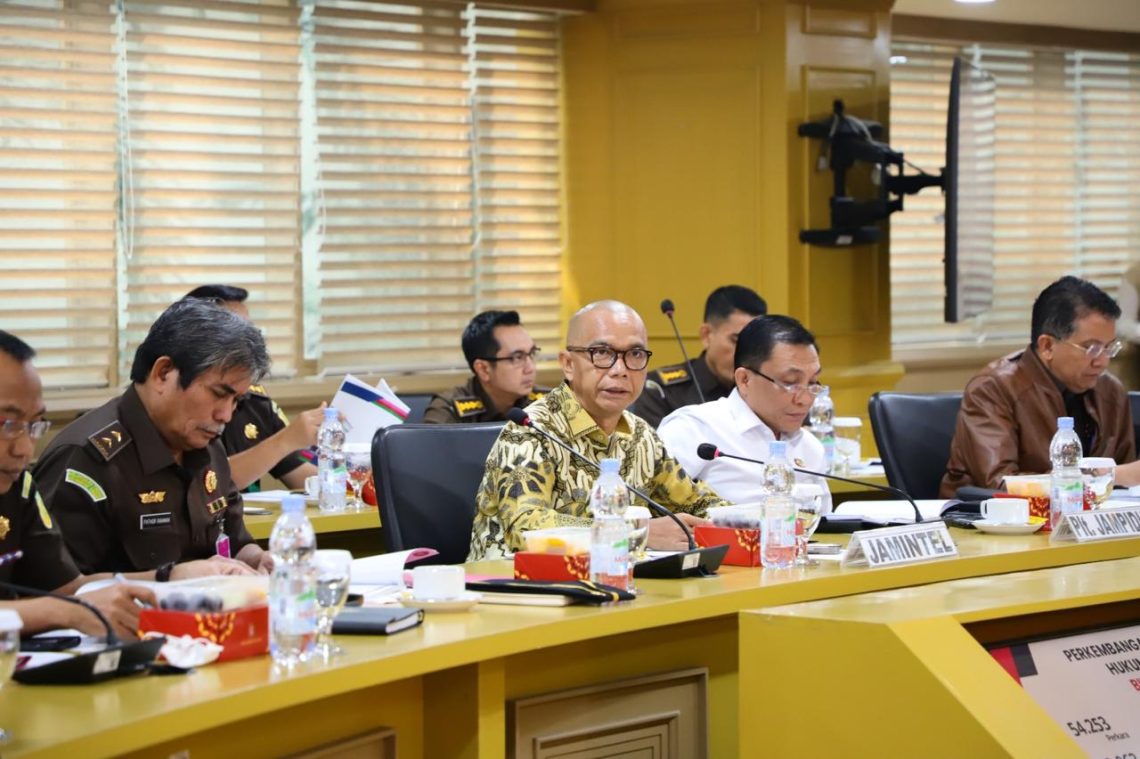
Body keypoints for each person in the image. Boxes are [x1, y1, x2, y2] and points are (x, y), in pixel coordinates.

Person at [0, 331, 246, 641]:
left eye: (34, 425)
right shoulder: (86, 453)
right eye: (7, 425)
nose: (24, 448)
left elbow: (65, 586)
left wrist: (170, 576)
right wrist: (67, 611)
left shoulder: (18, 486)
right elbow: (67, 602)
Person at [468, 300, 726, 561]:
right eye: (602, 353)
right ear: (568, 364)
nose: (620, 370)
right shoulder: (530, 431)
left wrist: (752, 518)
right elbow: (525, 529)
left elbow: (696, 502)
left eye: (635, 354)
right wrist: (637, 533)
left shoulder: (640, 436)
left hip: (611, 584)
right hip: (512, 589)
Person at [35, 299, 275, 576]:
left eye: (237, 400)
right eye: (219, 394)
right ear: (163, 374)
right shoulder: (86, 459)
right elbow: (60, 593)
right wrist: (168, 581)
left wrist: (257, 559)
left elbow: (232, 542)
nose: (226, 415)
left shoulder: (207, 446)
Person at [940, 276, 1138, 497]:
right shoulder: (992, 389)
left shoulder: (1110, 391)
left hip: (1088, 522)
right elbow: (999, 483)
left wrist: (1120, 476)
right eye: (1091, 348)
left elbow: (1125, 487)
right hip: (991, 522)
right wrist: (1099, 476)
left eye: (1109, 348)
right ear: (1047, 346)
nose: (1102, 361)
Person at [657, 315, 831, 509]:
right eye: (790, 382)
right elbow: (654, 515)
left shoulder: (810, 447)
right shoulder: (693, 430)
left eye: (813, 383)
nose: (805, 400)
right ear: (744, 380)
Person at [184, 285, 323, 491]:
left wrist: (354, 472)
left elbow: (304, 478)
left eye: (251, 332)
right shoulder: (183, 405)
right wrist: (284, 441)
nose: (250, 343)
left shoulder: (256, 403)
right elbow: (205, 483)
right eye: (238, 332)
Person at [633, 285, 767, 428]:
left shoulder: (763, 390)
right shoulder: (660, 391)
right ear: (706, 335)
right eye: (735, 340)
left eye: (754, 343)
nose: (746, 353)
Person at [424, 310, 547, 424]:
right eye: (517, 357)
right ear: (483, 369)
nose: (530, 368)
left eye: (532, 353)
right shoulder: (449, 410)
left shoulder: (550, 403)